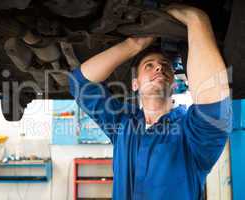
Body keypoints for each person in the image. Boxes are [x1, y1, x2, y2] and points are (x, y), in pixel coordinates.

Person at [68, 5, 232, 200]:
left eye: (165, 67)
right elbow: (79, 82)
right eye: (149, 66)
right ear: (135, 84)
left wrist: (196, 19)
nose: (158, 69)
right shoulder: (122, 124)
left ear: (173, 82)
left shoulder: (191, 132)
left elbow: (213, 103)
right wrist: (134, 44)